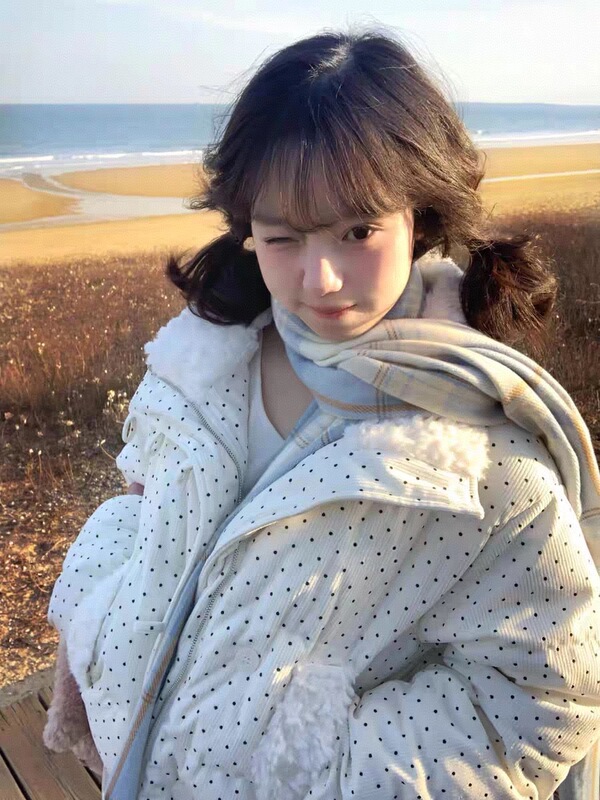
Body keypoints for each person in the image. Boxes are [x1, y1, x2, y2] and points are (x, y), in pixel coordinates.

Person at [44, 27, 600, 800]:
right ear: (248, 230)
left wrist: (317, 767)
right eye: (285, 237)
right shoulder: (200, 359)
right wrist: (102, 607)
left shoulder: (480, 456)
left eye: (358, 231)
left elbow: (543, 693)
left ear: (420, 216)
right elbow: (145, 502)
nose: (322, 278)